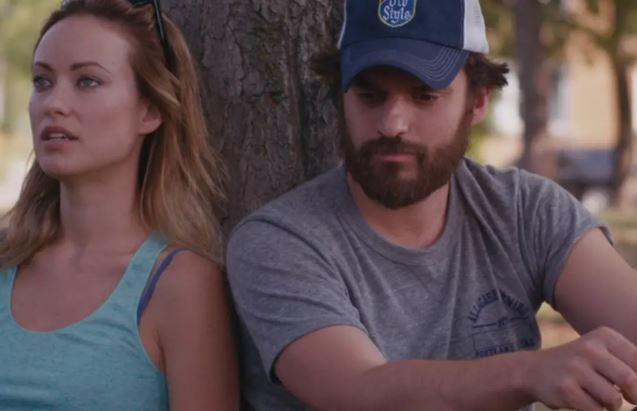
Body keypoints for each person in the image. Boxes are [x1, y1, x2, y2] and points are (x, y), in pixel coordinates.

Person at [226, 1, 637, 410]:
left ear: (478, 101)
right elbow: (358, 390)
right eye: (370, 96)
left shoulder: (525, 210)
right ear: (340, 98)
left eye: (424, 96)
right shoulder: (277, 242)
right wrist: (530, 372)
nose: (392, 124)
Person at [0, 0, 238, 409]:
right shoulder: (6, 258)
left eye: (87, 81)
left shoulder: (180, 284)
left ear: (150, 110)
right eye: (42, 81)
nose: (54, 103)